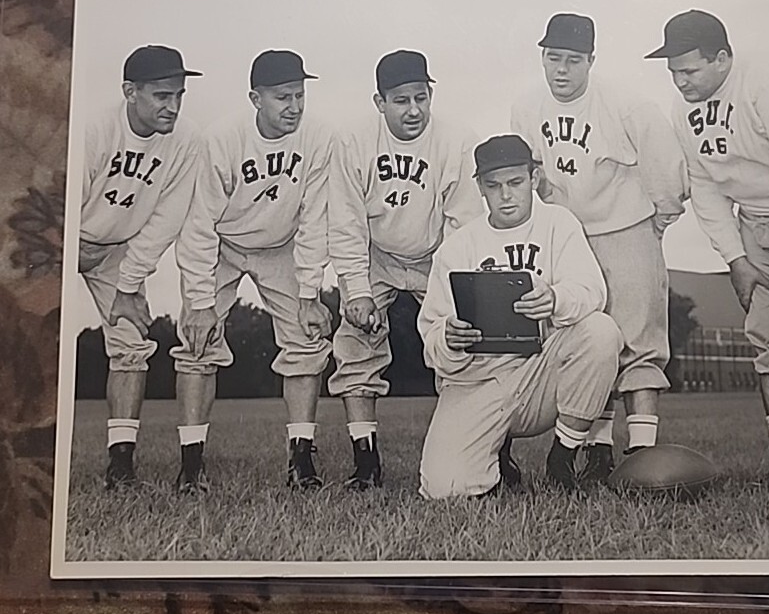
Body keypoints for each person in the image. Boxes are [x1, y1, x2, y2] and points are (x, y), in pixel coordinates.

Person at [510, 13, 688, 483]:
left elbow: (667, 168)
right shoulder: (527, 106)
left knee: (640, 343)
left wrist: (658, 221)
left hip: (626, 228)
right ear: (542, 57)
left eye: (573, 60)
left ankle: (643, 453)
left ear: (591, 60)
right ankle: (598, 450)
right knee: (589, 340)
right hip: (568, 235)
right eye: (553, 58)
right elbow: (530, 175)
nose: (561, 70)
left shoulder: (627, 105)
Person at [645, 9, 769, 487]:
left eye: (690, 70)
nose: (680, 81)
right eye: (673, 72)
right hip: (753, 225)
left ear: (722, 58)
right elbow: (705, 187)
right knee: (767, 340)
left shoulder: (767, 84)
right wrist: (735, 258)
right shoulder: (684, 109)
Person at [417, 134, 623, 499]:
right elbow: (431, 338)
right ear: (480, 187)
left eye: (515, 182)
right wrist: (449, 338)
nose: (506, 195)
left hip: (542, 370)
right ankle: (495, 460)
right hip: (479, 379)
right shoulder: (459, 246)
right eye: (494, 185)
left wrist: (556, 298)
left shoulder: (559, 223)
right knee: (444, 487)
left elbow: (593, 291)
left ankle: (562, 456)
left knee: (600, 331)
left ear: (534, 178)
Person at [171, 50, 332, 492]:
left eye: (299, 95)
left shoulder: (319, 137)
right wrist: (199, 303)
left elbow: (316, 218)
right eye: (283, 97)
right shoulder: (222, 139)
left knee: (305, 339)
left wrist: (310, 292)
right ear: (255, 99)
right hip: (223, 243)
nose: (294, 107)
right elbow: (198, 224)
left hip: (281, 245)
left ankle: (301, 459)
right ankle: (191, 464)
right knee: (197, 342)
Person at [328, 49, 483, 490]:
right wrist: (356, 290)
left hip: (437, 255)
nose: (414, 110)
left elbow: (464, 224)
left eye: (421, 97)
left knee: (463, 341)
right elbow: (345, 220)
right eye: (401, 100)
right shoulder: (353, 141)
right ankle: (365, 461)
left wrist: (448, 293)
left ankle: (486, 447)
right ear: (380, 102)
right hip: (376, 253)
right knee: (355, 343)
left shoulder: (457, 140)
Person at [78, 44, 202, 490]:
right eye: (161, 96)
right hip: (60, 240)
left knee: (130, 343)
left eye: (179, 95)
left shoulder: (186, 141)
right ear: (130, 91)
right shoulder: (94, 129)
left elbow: (165, 219)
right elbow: (61, 202)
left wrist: (129, 283)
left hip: (119, 250)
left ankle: (121, 466)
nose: (173, 106)